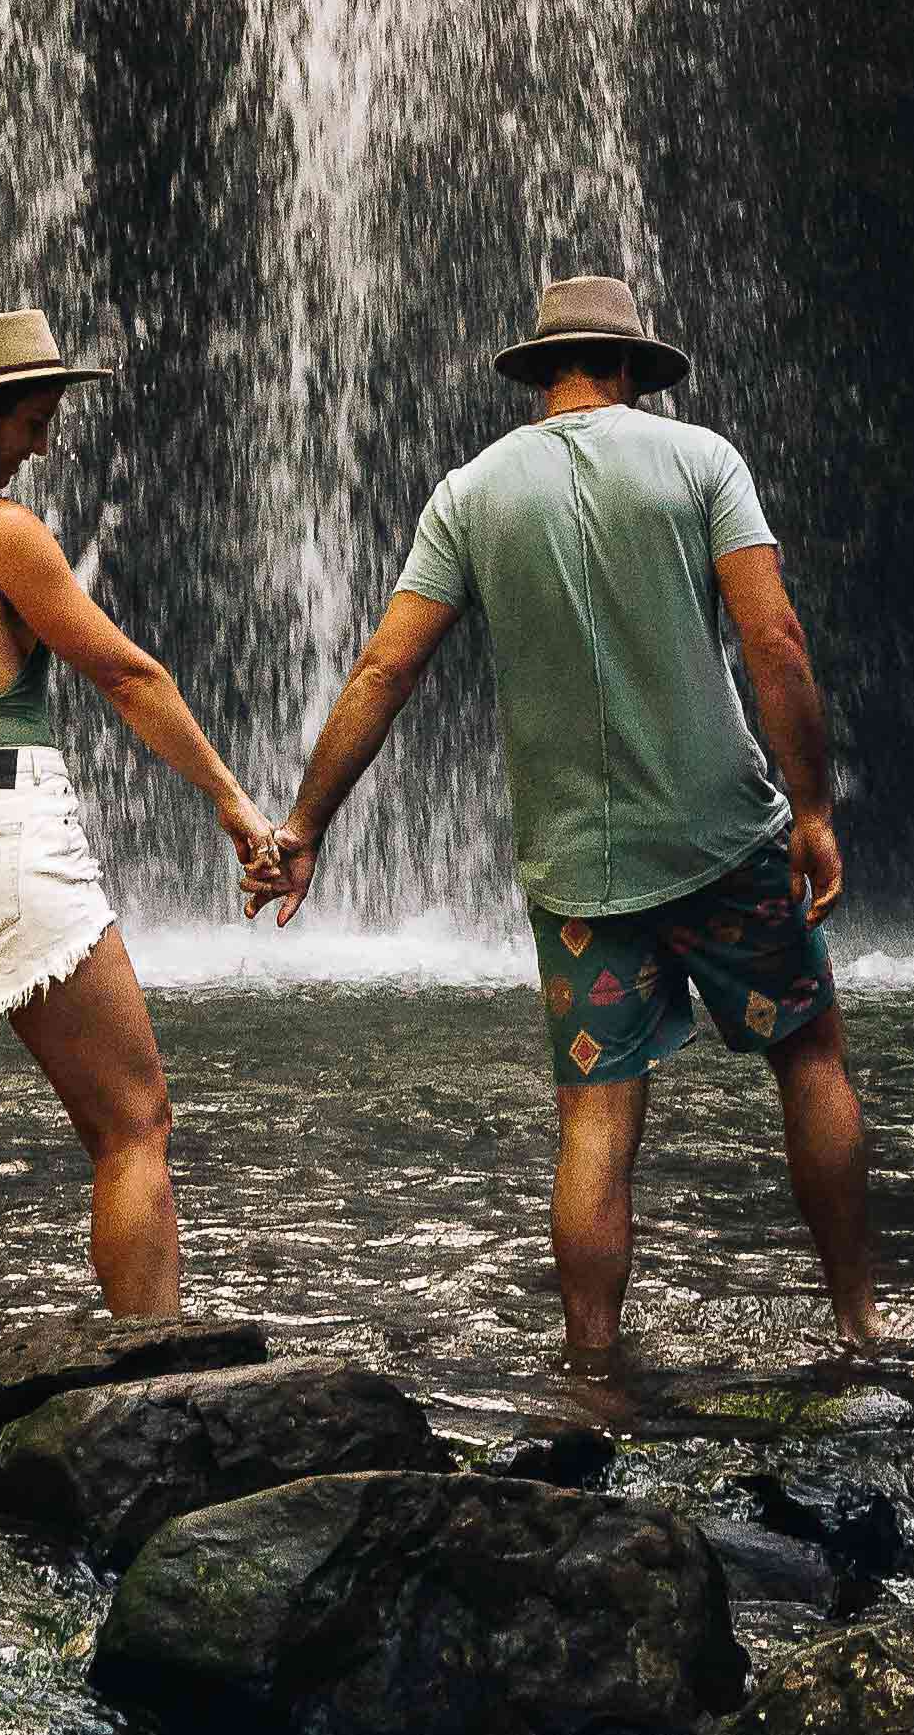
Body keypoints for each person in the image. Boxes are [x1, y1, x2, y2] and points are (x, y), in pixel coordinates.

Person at [259, 266, 874, 1403]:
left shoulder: (471, 491)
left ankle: (591, 1366)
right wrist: (818, 806)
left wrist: (304, 823)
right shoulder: (701, 461)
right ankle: (857, 1323)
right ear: (635, 368)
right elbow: (774, 637)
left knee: (595, 1116)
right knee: (810, 1053)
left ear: (540, 372)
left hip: (578, 872)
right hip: (725, 836)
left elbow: (385, 666)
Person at [0, 304, 293, 1349]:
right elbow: (126, 673)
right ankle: (152, 1386)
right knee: (134, 1124)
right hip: (3, 829)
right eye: (34, 414)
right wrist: (232, 800)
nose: (44, 438)